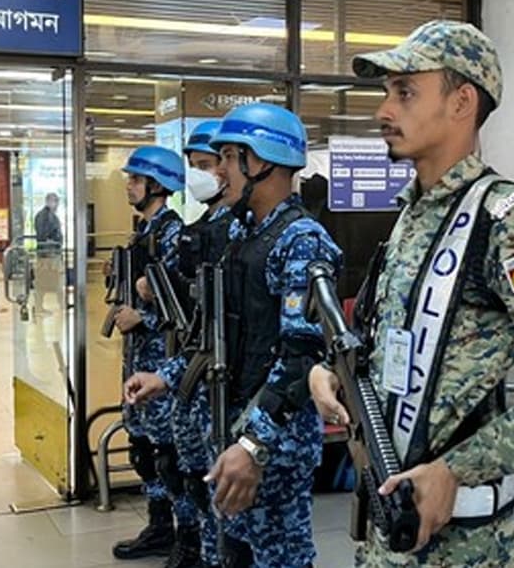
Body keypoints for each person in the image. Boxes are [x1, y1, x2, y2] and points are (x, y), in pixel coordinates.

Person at [308, 21, 514, 567]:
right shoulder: (411, 215)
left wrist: (458, 468)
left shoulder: (511, 223)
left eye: (405, 92)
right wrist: (333, 378)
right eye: (386, 93)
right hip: (386, 530)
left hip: (468, 545)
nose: (383, 111)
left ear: (462, 101)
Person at [129, 105, 344, 568]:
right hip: (226, 428)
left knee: (275, 558)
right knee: (225, 554)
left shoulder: (301, 242)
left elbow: (299, 360)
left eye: (228, 156)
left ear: (263, 160)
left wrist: (254, 445)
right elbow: (213, 334)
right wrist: (166, 376)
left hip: (272, 446)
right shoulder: (240, 236)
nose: (219, 169)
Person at [127, 121, 233, 568]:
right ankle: (182, 537)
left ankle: (191, 541)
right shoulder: (198, 229)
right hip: (179, 366)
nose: (202, 175)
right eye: (196, 166)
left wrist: (148, 310)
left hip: (208, 377)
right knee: (168, 461)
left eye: (208, 165)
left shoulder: (230, 231)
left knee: (190, 469)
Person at [107, 146, 187, 561]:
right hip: (138, 359)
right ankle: (159, 527)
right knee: (142, 446)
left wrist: (143, 318)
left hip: (163, 361)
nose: (129, 186)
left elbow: (186, 311)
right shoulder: (144, 230)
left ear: (158, 185)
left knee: (167, 452)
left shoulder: (174, 235)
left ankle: (184, 533)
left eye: (136, 180)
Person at [34, 192, 64, 313]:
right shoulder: (47, 216)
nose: (57, 205)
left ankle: (59, 304)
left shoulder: (46, 215)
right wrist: (54, 242)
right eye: (55, 201)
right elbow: (43, 235)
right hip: (48, 255)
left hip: (48, 254)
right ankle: (59, 305)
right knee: (50, 280)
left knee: (47, 281)